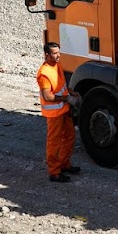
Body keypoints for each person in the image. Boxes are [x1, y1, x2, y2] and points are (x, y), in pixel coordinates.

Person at [36, 42, 80, 183]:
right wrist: (67, 98)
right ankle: (54, 172)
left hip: (63, 109)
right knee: (54, 142)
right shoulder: (44, 74)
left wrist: (70, 92)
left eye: (58, 52)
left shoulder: (56, 65)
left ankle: (64, 164)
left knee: (69, 136)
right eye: (54, 53)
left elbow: (61, 85)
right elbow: (48, 97)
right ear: (47, 55)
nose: (58, 55)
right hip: (54, 114)